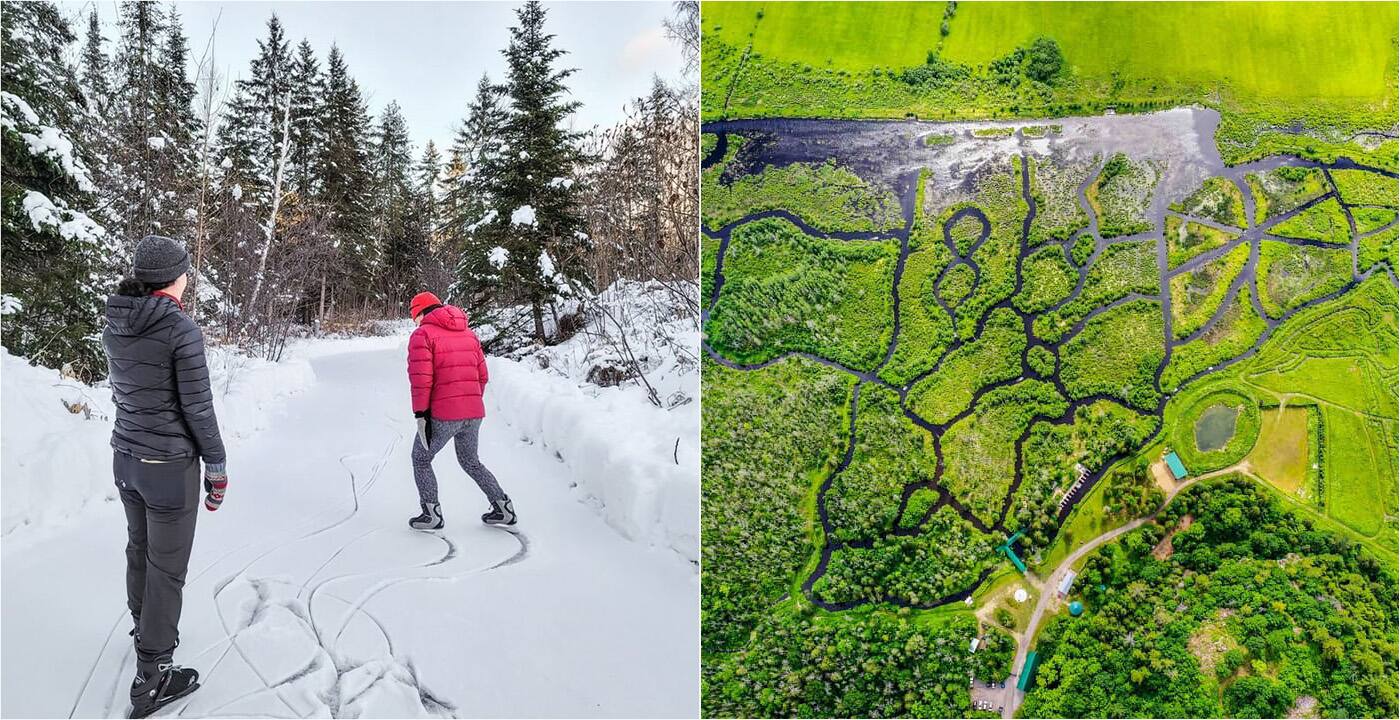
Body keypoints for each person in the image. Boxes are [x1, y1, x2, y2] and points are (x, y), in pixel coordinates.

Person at [103, 235, 227, 718]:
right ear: (178, 277)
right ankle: (152, 676)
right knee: (167, 568)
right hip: (168, 468)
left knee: (140, 549)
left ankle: (144, 628)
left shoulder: (117, 322)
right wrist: (216, 467)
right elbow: (198, 406)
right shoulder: (179, 329)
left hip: (127, 459)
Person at [405, 291, 514, 530]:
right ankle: (503, 507)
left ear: (421, 312)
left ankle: (431, 513)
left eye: (415, 316)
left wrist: (421, 414)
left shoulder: (422, 335)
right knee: (471, 462)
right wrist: (470, 402)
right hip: (473, 412)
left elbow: (421, 380)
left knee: (421, 459)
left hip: (443, 414)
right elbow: (482, 376)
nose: (416, 322)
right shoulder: (468, 333)